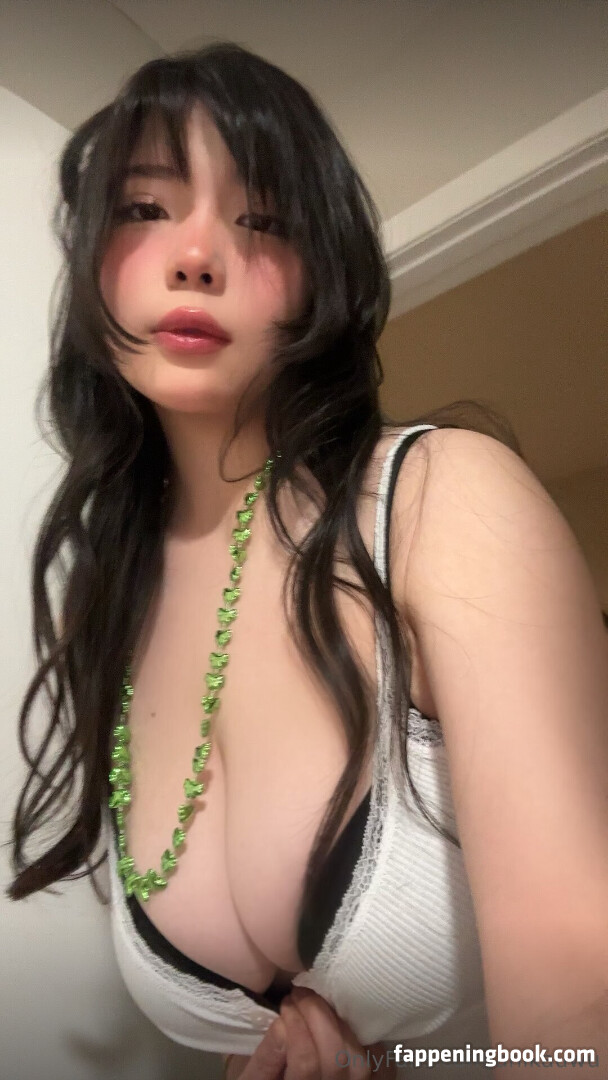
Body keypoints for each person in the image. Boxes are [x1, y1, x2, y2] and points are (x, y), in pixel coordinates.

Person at [7, 42, 608, 1080]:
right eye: (145, 209)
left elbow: (579, 1009)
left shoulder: (436, 498)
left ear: (320, 276)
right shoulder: (106, 612)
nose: (198, 254)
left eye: (265, 220)